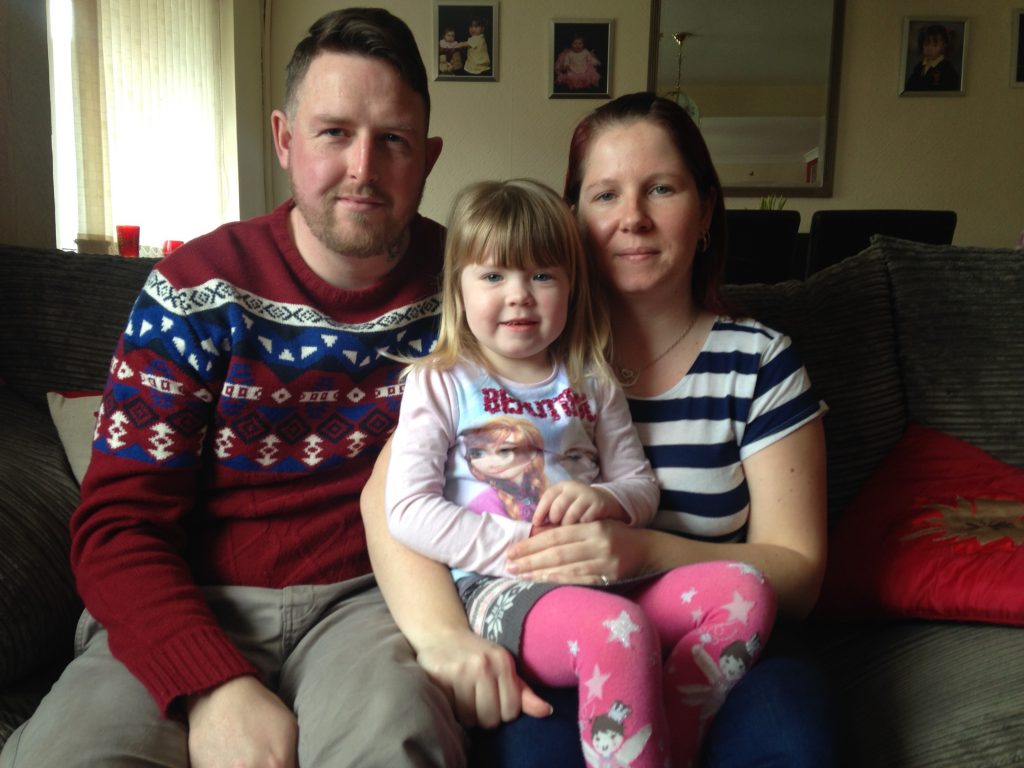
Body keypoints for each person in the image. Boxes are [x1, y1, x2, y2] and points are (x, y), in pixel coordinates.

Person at [0, 9, 464, 768]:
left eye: (393, 140)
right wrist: (212, 685)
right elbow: (117, 526)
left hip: (369, 603)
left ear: (428, 156)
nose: (362, 168)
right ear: (284, 139)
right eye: (334, 133)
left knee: (395, 742)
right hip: (187, 595)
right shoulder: (193, 290)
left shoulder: (472, 292)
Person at [362, 92, 834, 768]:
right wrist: (445, 636)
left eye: (662, 189)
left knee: (788, 744)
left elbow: (798, 573)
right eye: (605, 195)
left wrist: (636, 548)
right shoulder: (495, 361)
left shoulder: (753, 360)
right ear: (573, 219)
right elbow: (392, 504)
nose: (633, 218)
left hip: (690, 621)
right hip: (545, 609)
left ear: (704, 212)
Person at [904, 23, 960, 92]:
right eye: (926, 44)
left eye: (934, 45)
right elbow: (909, 87)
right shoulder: (919, 67)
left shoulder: (947, 69)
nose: (929, 49)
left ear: (944, 46)